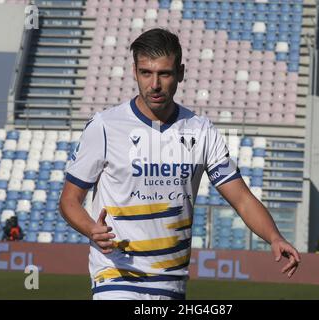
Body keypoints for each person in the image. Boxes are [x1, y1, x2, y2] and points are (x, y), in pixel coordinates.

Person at [59, 28, 301, 300]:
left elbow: (242, 199)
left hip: (172, 282)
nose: (155, 84)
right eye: (146, 73)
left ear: (181, 73)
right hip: (116, 275)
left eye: (164, 73)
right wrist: (92, 228)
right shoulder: (104, 126)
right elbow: (69, 201)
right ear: (134, 72)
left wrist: (275, 237)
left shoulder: (202, 131)